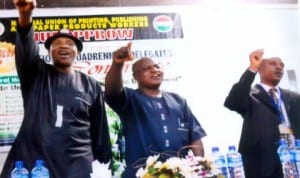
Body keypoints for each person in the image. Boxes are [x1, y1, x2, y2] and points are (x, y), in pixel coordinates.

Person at [0, 0, 112, 177]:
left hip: (78, 167)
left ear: (77, 51)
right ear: (50, 51)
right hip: (38, 164)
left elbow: (100, 135)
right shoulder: (36, 74)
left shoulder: (91, 85)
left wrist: (104, 168)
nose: (63, 46)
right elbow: (27, 49)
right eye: (57, 43)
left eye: (69, 43)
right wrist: (25, 15)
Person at [104, 42, 207, 178]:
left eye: (157, 66)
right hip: (142, 173)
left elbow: (194, 137)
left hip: (180, 173)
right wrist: (118, 64)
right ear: (135, 77)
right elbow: (112, 91)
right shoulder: (130, 98)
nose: (154, 70)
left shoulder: (178, 101)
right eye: (147, 68)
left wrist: (199, 167)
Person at [224, 49, 300, 178]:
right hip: (262, 166)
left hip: (294, 162)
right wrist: (251, 69)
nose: (279, 67)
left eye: (282, 65)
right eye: (273, 63)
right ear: (260, 68)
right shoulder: (250, 96)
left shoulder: (294, 98)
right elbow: (232, 102)